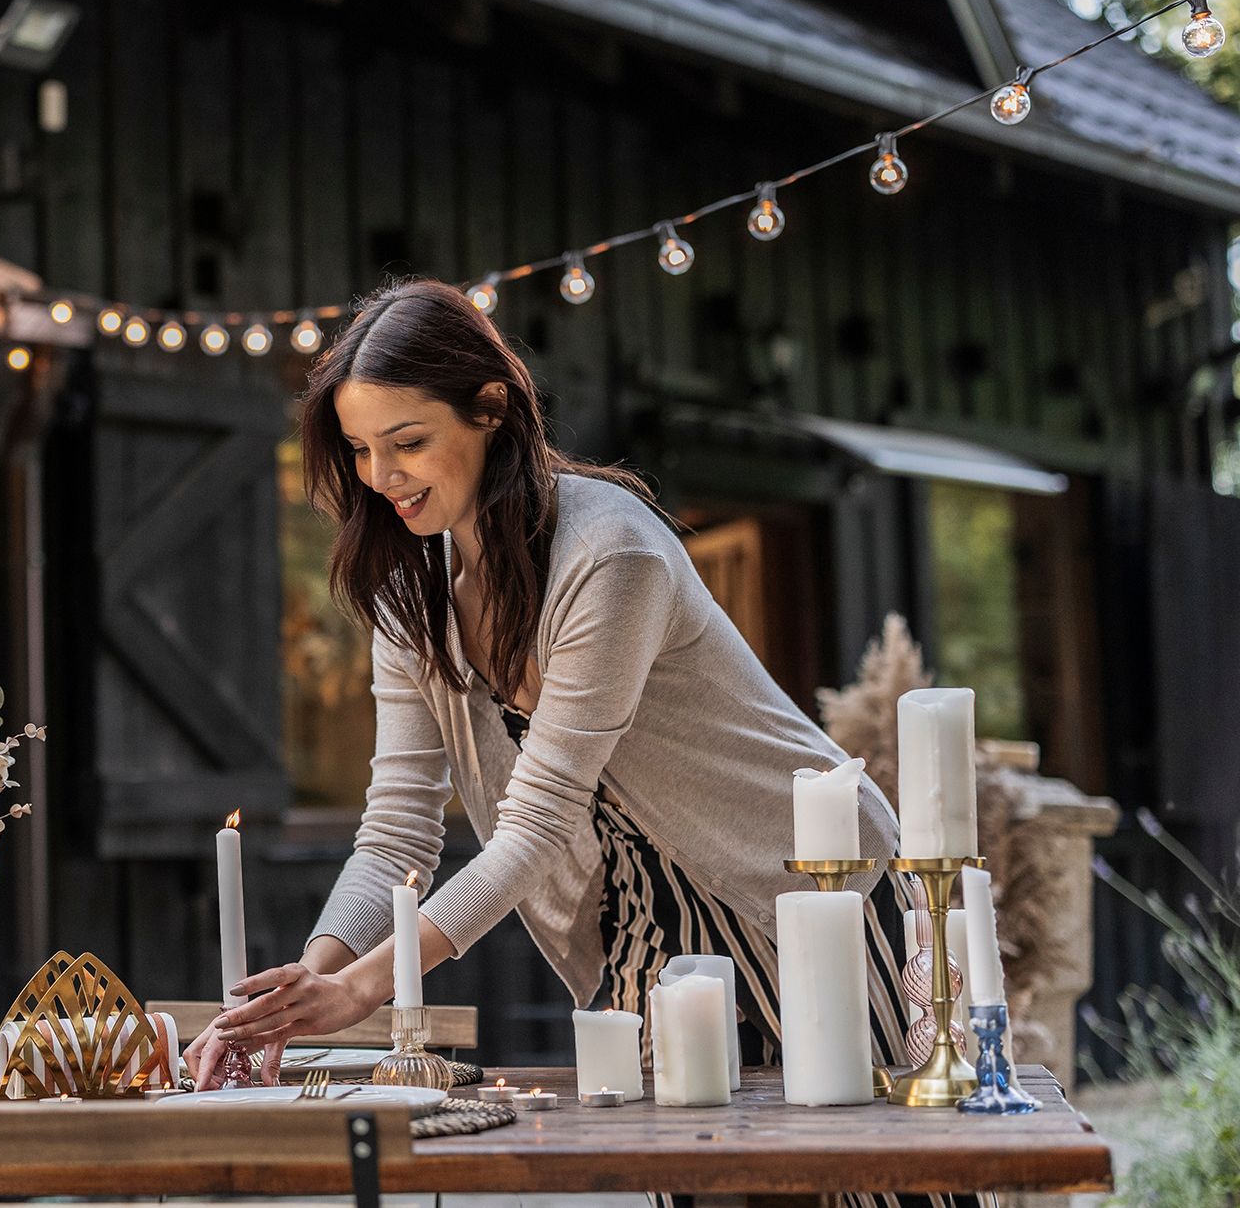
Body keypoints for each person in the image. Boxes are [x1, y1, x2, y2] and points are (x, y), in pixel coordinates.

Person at [185, 279, 969, 1208]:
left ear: (491, 410)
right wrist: (304, 986)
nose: (380, 476)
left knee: (881, 1184)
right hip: (637, 930)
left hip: (803, 892)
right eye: (359, 450)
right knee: (702, 1187)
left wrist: (365, 992)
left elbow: (537, 822)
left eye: (407, 443)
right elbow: (395, 831)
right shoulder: (411, 594)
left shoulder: (610, 554)